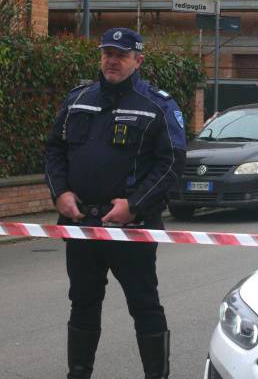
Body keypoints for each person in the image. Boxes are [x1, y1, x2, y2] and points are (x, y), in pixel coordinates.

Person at [44, 28, 186, 379]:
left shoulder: (157, 104)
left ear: (138, 60)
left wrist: (135, 205)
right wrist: (60, 192)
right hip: (82, 225)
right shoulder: (78, 99)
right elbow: (54, 150)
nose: (112, 60)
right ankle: (78, 374)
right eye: (108, 52)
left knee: (145, 306)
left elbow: (171, 162)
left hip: (131, 229)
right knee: (83, 305)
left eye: (121, 55)